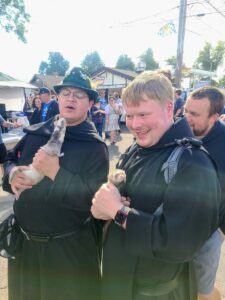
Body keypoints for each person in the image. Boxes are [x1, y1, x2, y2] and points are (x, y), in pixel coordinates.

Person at [91, 71, 221, 300]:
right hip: (118, 284)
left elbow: (179, 243)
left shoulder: (192, 162)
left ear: (169, 108)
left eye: (143, 114)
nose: (135, 124)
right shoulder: (139, 146)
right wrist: (103, 206)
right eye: (130, 116)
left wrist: (117, 211)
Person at [2, 67, 109, 300]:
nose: (71, 98)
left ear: (90, 103)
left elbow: (94, 203)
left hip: (68, 254)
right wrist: (11, 174)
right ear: (58, 97)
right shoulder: (38, 132)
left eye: (79, 95)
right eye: (66, 93)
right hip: (26, 249)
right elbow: (10, 160)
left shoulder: (94, 147)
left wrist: (56, 173)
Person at [184, 86, 225, 300]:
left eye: (195, 114)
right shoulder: (181, 130)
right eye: (186, 110)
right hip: (177, 221)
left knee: (203, 289)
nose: (186, 118)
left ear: (214, 117)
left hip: (209, 231)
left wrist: (220, 231)